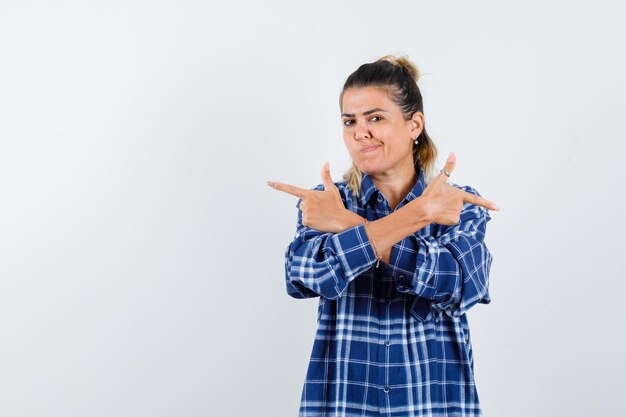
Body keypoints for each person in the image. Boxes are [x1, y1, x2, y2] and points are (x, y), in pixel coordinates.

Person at [267, 55, 500, 417]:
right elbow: (305, 276)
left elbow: (455, 284)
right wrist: (417, 215)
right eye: (350, 121)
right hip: (345, 405)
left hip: (432, 406)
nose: (361, 132)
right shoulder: (329, 201)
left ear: (414, 125)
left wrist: (347, 225)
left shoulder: (458, 206)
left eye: (375, 118)